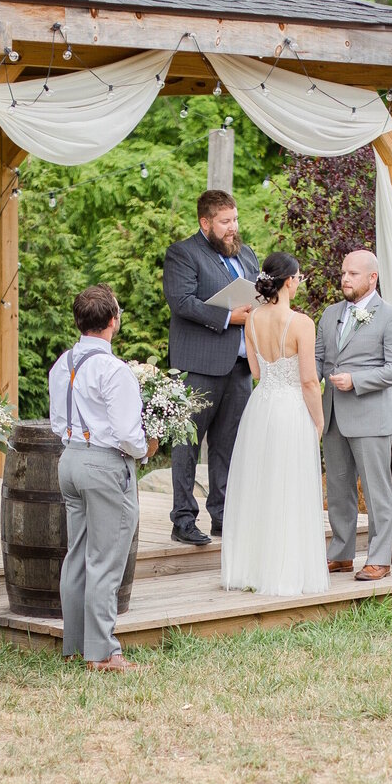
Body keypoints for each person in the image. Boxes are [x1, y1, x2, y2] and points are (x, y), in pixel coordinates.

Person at [50, 286, 157, 672]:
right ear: (113, 321)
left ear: (79, 321)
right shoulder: (114, 370)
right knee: (106, 560)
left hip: (70, 461)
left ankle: (77, 645)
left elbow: (58, 424)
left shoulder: (62, 364)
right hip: (105, 465)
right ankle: (104, 653)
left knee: (77, 555)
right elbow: (128, 434)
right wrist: (146, 449)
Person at [220, 252, 327, 596]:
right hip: (290, 409)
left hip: (261, 406)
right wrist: (319, 420)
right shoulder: (301, 323)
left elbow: (254, 371)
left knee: (260, 485)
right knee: (288, 487)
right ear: (289, 280)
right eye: (299, 278)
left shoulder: (250, 320)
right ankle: (284, 573)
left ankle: (252, 568)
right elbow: (310, 381)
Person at [163, 189, 260, 546]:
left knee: (229, 445)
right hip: (199, 367)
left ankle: (222, 516)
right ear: (205, 223)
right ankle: (183, 520)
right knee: (187, 444)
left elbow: (258, 293)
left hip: (240, 366)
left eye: (235, 219)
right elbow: (182, 301)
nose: (233, 227)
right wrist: (227, 317)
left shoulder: (246, 253)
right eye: (225, 222)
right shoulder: (183, 253)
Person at [315, 250, 392, 581]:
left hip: (372, 417)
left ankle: (379, 559)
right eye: (343, 272)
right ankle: (341, 554)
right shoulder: (329, 315)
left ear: (372, 278)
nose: (345, 278)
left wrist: (357, 380)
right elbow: (317, 361)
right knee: (339, 491)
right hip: (332, 416)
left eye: (353, 274)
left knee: (376, 491)